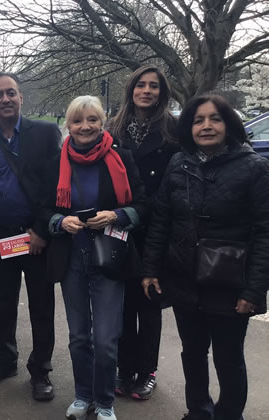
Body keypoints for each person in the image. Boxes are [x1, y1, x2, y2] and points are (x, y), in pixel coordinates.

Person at [142, 94, 269, 420]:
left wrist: (254, 291)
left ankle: (229, 415)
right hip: (184, 278)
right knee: (193, 352)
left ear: (229, 124)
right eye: (199, 120)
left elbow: (264, 233)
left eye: (215, 119)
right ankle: (198, 410)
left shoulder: (254, 167)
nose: (207, 126)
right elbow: (161, 221)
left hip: (229, 283)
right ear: (189, 127)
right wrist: (151, 268)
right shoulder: (179, 163)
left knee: (228, 358)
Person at [47, 95, 146, 420]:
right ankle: (82, 395)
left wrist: (117, 215)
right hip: (72, 256)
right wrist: (60, 221)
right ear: (69, 125)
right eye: (78, 120)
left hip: (109, 256)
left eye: (92, 119)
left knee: (105, 339)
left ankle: (104, 402)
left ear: (102, 122)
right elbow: (41, 207)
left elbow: (143, 205)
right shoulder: (57, 161)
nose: (85, 126)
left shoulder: (121, 158)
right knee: (78, 337)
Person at [0, 72, 60, 402]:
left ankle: (41, 371)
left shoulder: (45, 133)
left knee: (41, 307)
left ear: (21, 97)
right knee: (1, 306)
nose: (5, 99)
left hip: (36, 239)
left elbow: (56, 186)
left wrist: (40, 230)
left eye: (11, 93)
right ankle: (5, 361)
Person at [106, 65, 179, 400]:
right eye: (141, 85)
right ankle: (124, 367)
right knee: (122, 305)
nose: (146, 91)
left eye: (153, 86)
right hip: (120, 225)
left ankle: (146, 370)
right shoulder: (114, 127)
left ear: (161, 93)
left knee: (149, 304)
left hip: (156, 226)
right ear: (131, 89)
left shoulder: (172, 129)